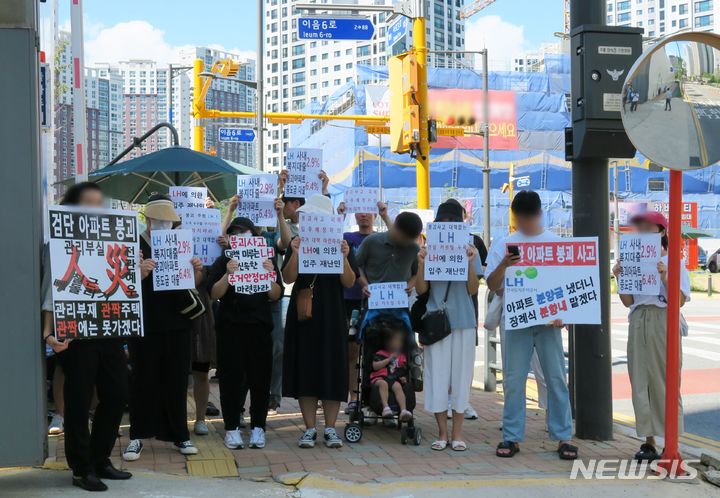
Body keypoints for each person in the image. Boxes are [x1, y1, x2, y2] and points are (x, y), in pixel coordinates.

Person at [41, 182, 132, 492]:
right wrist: (49, 332)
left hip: (108, 329)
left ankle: (100, 458)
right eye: (87, 203)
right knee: (79, 400)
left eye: (98, 203)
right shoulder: (59, 241)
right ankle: (81, 467)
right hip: (76, 332)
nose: (94, 209)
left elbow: (122, 283)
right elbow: (52, 288)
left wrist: (138, 273)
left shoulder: (113, 239)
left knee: (118, 392)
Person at [485, 190, 577, 460]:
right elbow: (492, 285)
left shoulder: (555, 243)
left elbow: (566, 286)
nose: (524, 225)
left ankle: (563, 436)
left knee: (556, 377)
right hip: (516, 321)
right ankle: (511, 437)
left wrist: (565, 314)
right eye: (520, 219)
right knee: (513, 380)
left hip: (549, 322)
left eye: (528, 219)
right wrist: (504, 264)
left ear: (539, 214)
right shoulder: (504, 244)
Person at [123, 194, 204, 462]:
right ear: (147, 219)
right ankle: (137, 435)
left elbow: (196, 282)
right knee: (143, 379)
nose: (162, 224)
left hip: (177, 322)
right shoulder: (133, 243)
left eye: (167, 220)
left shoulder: (181, 242)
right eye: (157, 218)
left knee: (177, 379)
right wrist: (138, 272)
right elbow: (121, 284)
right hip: (144, 322)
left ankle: (180, 434)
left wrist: (195, 269)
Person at [612, 211, 689, 462]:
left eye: (651, 228)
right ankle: (648, 442)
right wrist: (619, 276)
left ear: (663, 232)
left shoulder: (673, 262)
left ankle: (671, 442)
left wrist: (666, 275)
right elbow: (627, 302)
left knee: (665, 380)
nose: (645, 233)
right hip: (638, 319)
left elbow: (679, 301)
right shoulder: (632, 260)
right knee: (640, 380)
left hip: (663, 318)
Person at [281, 194, 357, 449]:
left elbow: (349, 282)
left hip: (333, 314)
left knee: (332, 368)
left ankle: (330, 429)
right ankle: (310, 428)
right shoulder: (297, 242)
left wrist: (344, 257)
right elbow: (288, 278)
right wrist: (295, 252)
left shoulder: (341, 244)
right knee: (307, 368)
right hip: (305, 314)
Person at [209, 217, 283, 450]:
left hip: (259, 328)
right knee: (230, 380)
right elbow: (214, 293)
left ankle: (258, 428)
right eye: (235, 233)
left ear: (254, 235)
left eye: (244, 232)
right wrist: (227, 275)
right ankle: (231, 428)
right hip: (230, 329)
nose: (240, 237)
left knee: (260, 379)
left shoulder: (266, 258)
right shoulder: (224, 260)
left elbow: (276, 294)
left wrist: (269, 274)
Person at [415, 200, 481, 452]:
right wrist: (421, 263)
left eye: (453, 221)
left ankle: (458, 434)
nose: (448, 226)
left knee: (461, 378)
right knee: (436, 377)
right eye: (443, 222)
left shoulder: (470, 249)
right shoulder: (429, 249)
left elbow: (473, 289)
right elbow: (422, 290)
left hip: (464, 321)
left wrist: (469, 262)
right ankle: (442, 433)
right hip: (436, 321)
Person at [337, 201, 391, 415]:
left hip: (379, 302)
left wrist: (386, 214)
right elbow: (330, 240)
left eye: (369, 211)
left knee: (374, 351)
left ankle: (370, 398)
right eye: (359, 210)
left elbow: (400, 237)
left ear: (375, 215)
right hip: (350, 299)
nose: (364, 216)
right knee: (352, 352)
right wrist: (339, 216)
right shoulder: (348, 238)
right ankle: (353, 397)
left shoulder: (383, 239)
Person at [189, 197, 218, 437]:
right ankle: (176, 420)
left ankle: (199, 419)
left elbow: (205, 282)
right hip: (173, 315)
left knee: (201, 370)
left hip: (201, 314)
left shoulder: (209, 247)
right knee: (177, 371)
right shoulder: (168, 239)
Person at [370, 325, 412, 422]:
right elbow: (375, 366)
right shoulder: (380, 353)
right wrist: (389, 359)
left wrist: (403, 377)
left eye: (400, 341)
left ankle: (403, 410)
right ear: (387, 342)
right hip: (379, 377)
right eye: (396, 340)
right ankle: (385, 407)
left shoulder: (401, 356)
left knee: (398, 387)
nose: (399, 343)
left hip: (393, 379)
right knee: (383, 384)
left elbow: (403, 369)